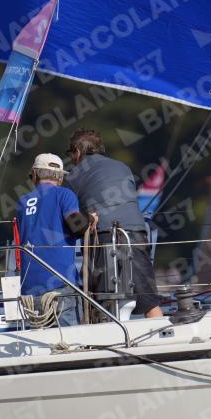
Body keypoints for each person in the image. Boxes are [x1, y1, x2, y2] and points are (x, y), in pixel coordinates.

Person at [64, 129, 162, 318]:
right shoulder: (122, 166)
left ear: (77, 151)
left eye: (70, 154)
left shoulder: (72, 176)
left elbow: (73, 222)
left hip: (103, 237)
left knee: (99, 302)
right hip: (136, 232)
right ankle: (162, 331)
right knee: (149, 301)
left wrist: (86, 220)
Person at [16, 154, 93, 326]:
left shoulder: (22, 202)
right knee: (69, 340)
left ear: (35, 174)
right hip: (59, 285)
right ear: (60, 177)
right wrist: (90, 218)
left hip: (29, 289)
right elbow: (77, 226)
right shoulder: (64, 195)